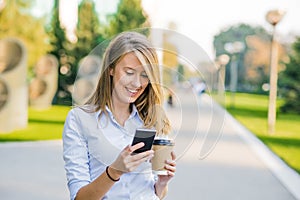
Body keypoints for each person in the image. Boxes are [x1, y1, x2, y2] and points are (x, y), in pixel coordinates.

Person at [62, 31, 176, 200]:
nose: (137, 83)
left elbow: (153, 192)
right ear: (111, 69)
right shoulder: (79, 120)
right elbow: (79, 198)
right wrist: (115, 171)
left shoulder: (152, 119)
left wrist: (161, 183)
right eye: (129, 72)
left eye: (144, 75)